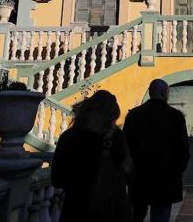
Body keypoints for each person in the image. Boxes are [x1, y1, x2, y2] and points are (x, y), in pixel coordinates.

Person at [51, 90, 132, 222]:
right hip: (109, 211)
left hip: (75, 210)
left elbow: (58, 179)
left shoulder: (69, 137)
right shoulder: (115, 138)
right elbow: (127, 172)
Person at [123, 79, 190, 222]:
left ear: (149, 92)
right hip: (166, 177)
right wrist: (178, 170)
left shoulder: (133, 115)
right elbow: (183, 148)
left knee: (136, 215)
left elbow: (125, 146)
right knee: (161, 216)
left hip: (139, 176)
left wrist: (129, 173)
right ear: (165, 93)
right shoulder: (175, 116)